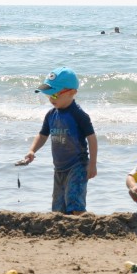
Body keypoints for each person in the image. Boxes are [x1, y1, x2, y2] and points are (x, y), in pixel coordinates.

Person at [16, 67, 98, 215]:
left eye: (54, 94)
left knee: (74, 202)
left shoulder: (79, 115)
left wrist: (92, 164)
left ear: (72, 92)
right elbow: (42, 135)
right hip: (59, 168)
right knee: (58, 207)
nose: (50, 99)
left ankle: (84, 228)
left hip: (77, 166)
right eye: (48, 95)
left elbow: (92, 139)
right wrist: (32, 150)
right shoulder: (51, 115)